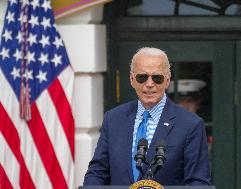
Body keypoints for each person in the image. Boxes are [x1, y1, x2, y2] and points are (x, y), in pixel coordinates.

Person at [83, 47, 211, 186]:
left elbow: (199, 182)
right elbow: (98, 172)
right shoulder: (113, 119)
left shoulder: (190, 124)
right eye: (142, 77)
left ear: (167, 80)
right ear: (132, 79)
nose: (149, 84)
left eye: (157, 78)